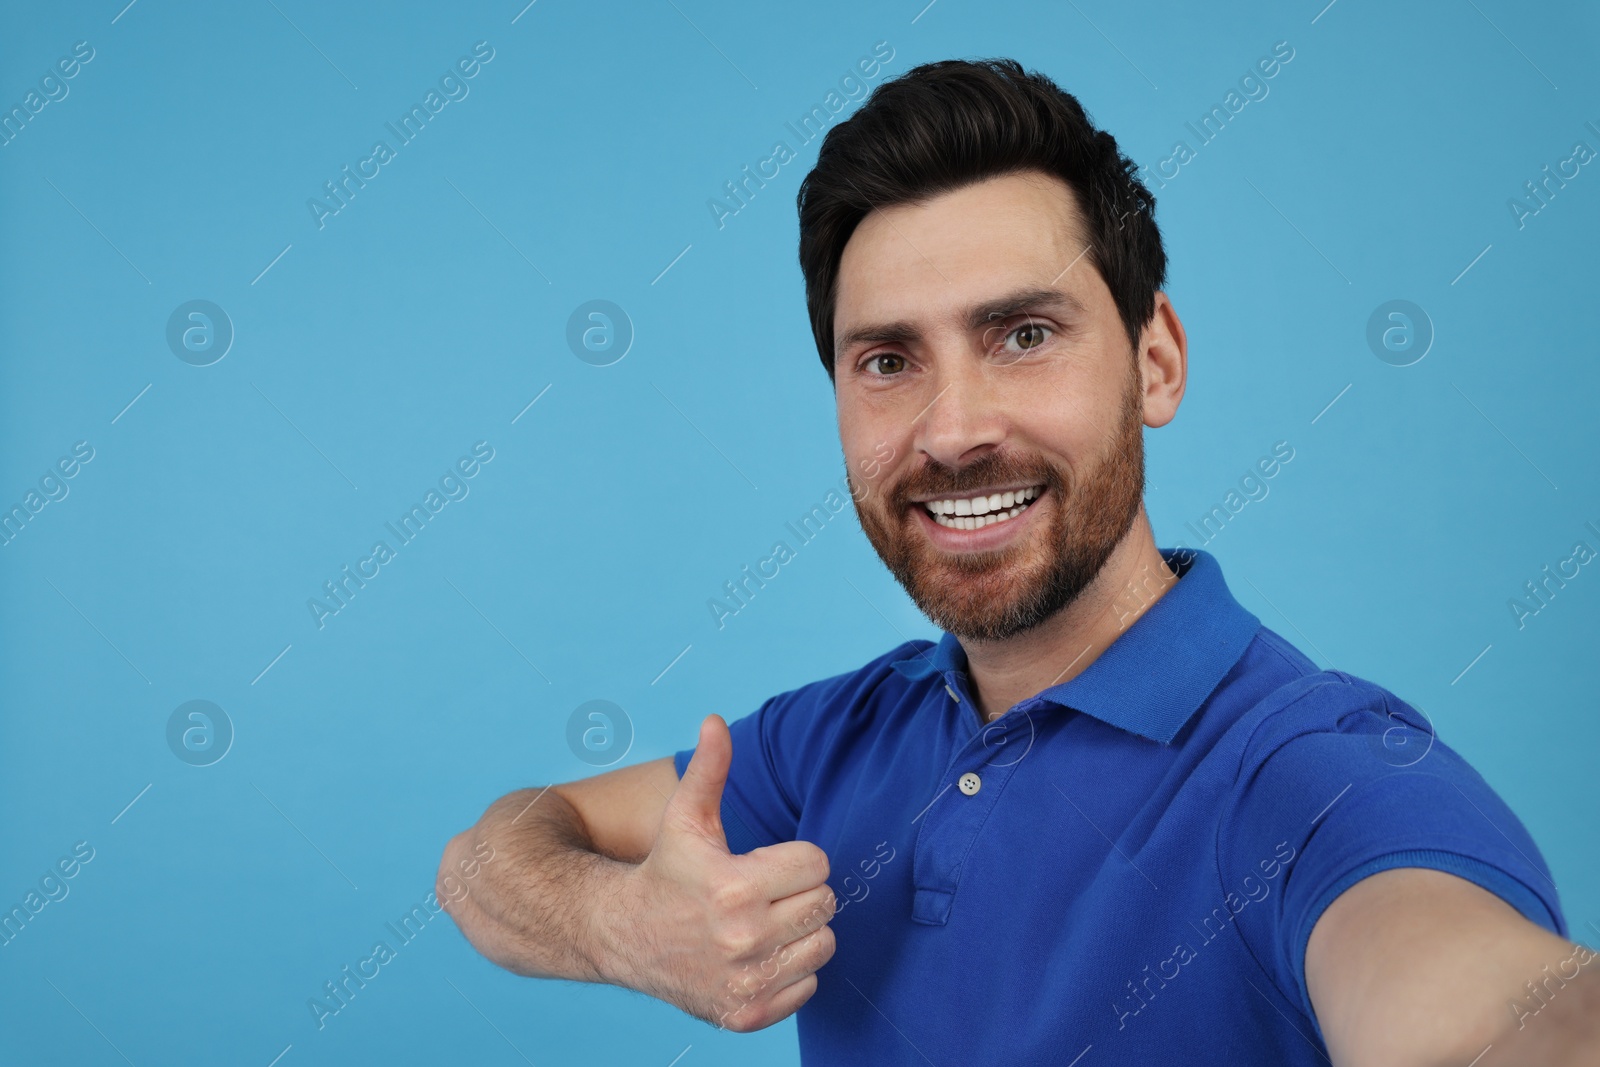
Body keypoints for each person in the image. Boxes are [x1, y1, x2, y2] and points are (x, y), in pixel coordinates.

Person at [439, 58, 1599, 1065]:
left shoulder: (1315, 778)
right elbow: (496, 851)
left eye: (1024, 336)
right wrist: (621, 925)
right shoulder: (829, 745)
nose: (951, 430)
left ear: (1155, 362)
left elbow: (1493, 1013)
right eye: (887, 359)